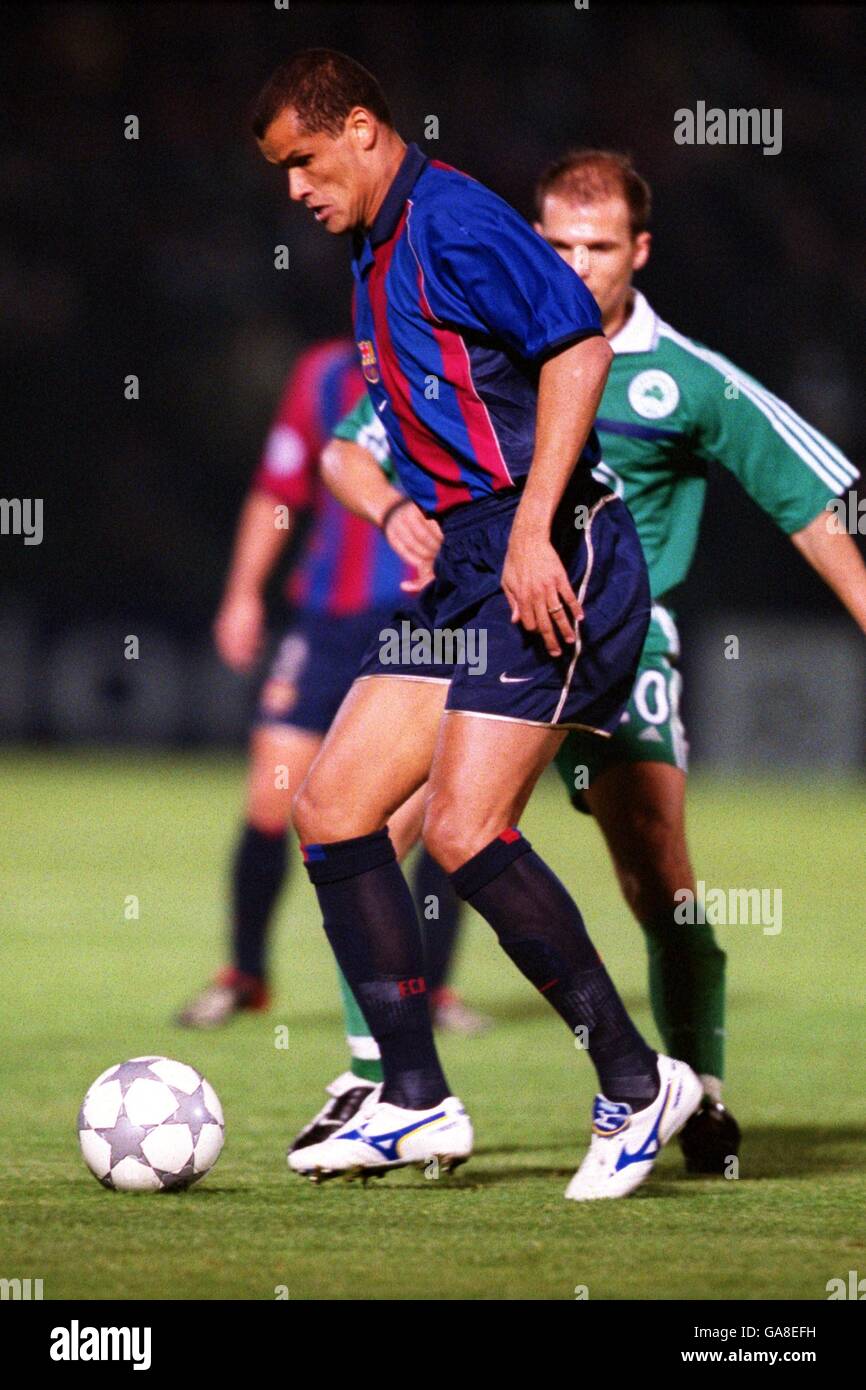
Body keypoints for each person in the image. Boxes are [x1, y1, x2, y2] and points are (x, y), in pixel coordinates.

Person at [312, 148, 865, 1176]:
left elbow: (814, 502)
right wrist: (394, 509)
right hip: (493, 614)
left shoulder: (689, 380)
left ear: (637, 251)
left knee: (654, 877)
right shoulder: (491, 341)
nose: (573, 262)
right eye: (555, 242)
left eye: (596, 246)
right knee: (374, 821)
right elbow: (350, 443)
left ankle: (689, 1088)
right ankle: (380, 1077)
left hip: (621, 633)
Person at [251, 48, 703, 1202]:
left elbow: (576, 349)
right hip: (464, 564)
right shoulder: (373, 249)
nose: (294, 188)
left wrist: (530, 527)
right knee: (335, 804)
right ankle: (411, 1096)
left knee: (460, 828)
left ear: (358, 127)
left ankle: (632, 1079)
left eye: (302, 160)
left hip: (550, 553)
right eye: (279, 173)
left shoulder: (451, 220)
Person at [176, 340, 491, 1124]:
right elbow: (277, 487)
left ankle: (432, 991)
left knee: (423, 815)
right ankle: (245, 974)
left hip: (424, 620)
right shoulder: (323, 376)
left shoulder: (462, 370)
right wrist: (243, 594)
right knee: (271, 797)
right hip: (326, 620)